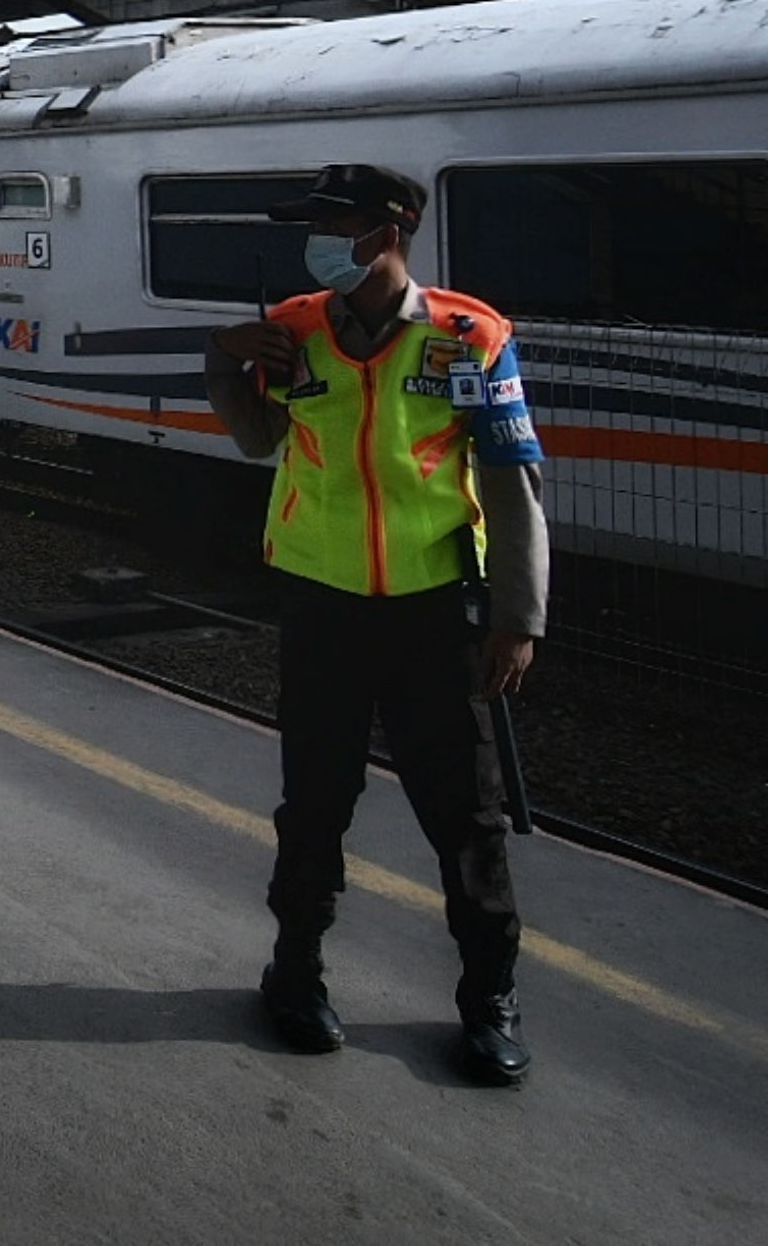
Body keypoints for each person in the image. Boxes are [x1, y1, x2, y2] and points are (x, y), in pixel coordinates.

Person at [204, 163, 548, 1086]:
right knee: (314, 805)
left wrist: (516, 621)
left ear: (387, 234)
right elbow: (255, 439)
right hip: (321, 606)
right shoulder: (297, 329)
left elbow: (513, 490)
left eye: (334, 228)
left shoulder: (472, 337)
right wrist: (223, 360)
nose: (314, 247)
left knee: (467, 819)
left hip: (434, 614)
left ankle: (490, 1003)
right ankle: (295, 975)